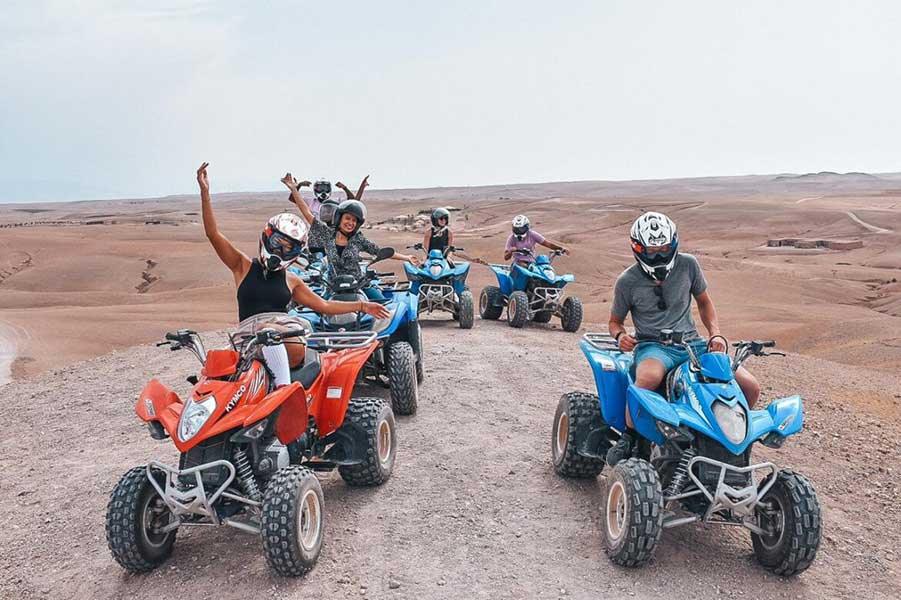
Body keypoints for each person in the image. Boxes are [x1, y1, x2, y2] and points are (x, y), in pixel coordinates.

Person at [197, 163, 389, 388]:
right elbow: (213, 234)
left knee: (278, 331)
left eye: (290, 248)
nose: (281, 251)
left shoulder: (292, 280)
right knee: (217, 375)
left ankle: (284, 391)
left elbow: (324, 306)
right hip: (248, 341)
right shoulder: (243, 266)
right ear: (268, 237)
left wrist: (362, 307)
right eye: (278, 243)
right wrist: (205, 193)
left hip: (285, 336)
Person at [605, 211, 761, 466]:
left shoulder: (688, 265)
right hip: (654, 346)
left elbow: (705, 303)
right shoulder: (627, 281)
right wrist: (620, 335)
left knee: (750, 386)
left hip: (693, 344)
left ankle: (736, 442)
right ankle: (630, 437)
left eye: (664, 249)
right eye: (651, 250)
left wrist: (715, 333)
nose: (658, 256)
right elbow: (614, 321)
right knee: (647, 379)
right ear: (638, 248)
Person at [282, 173, 419, 299]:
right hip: (332, 287)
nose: (351, 223)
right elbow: (307, 213)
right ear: (339, 218)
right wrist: (294, 189)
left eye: (354, 220)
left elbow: (380, 251)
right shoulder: (327, 234)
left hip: (358, 285)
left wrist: (406, 257)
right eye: (348, 218)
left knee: (383, 305)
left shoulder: (358, 239)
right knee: (314, 309)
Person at [503, 215, 570, 264]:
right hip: (518, 263)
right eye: (516, 229)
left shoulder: (532, 234)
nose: (519, 231)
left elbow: (548, 244)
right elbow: (506, 257)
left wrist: (561, 249)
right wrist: (510, 251)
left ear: (526, 227)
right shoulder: (511, 238)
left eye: (521, 228)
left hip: (532, 262)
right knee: (523, 267)